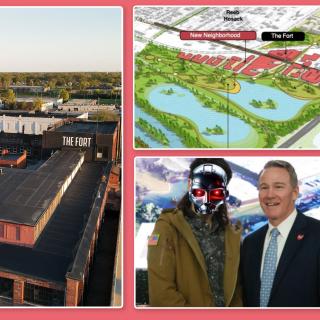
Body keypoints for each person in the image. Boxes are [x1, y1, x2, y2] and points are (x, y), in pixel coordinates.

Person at [147, 158, 242, 307]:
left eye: (215, 192)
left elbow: (237, 292)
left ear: (224, 194)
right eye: (200, 191)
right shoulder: (168, 228)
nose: (206, 199)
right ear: (190, 185)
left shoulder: (232, 235)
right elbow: (161, 295)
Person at [241, 160, 320, 307]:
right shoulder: (250, 243)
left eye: (278, 187)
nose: (269, 194)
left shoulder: (316, 235)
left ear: (295, 192)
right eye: (264, 187)